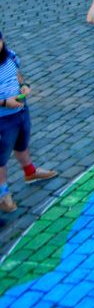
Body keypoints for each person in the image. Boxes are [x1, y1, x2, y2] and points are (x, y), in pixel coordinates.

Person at [0, 31, 58, 213]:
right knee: (1, 156)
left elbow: (18, 75)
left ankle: (30, 172)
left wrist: (25, 86)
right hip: (2, 117)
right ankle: (3, 193)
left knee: (21, 143)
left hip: (21, 110)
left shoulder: (10, 56)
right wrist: (4, 102)